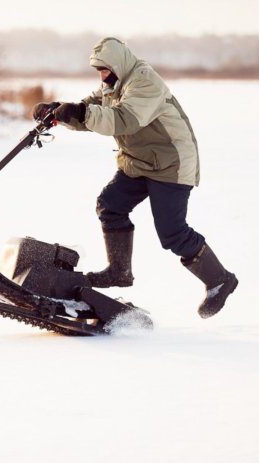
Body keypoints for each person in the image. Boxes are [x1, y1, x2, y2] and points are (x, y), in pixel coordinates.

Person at [32, 37, 237, 318]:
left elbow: (123, 119)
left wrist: (80, 111)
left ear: (118, 64)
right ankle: (119, 271)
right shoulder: (112, 85)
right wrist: (58, 110)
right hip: (139, 162)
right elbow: (90, 110)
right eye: (99, 71)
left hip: (171, 164)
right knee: (110, 204)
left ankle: (220, 280)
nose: (102, 76)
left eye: (105, 70)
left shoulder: (144, 82)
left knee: (172, 233)